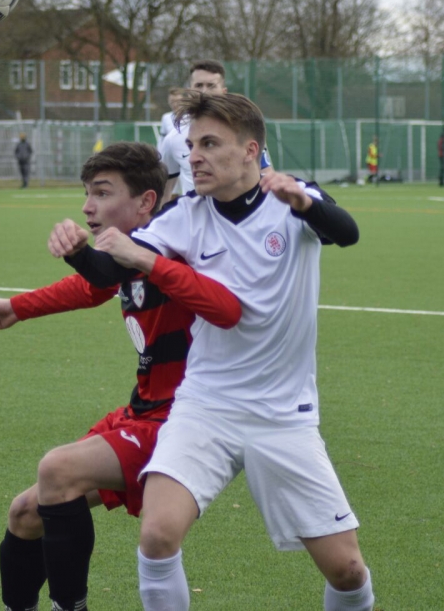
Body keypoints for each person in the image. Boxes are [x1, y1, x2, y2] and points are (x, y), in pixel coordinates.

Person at [50, 92, 372, 611]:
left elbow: (347, 233)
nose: (193, 156)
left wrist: (304, 203)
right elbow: (110, 272)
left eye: (209, 144)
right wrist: (78, 252)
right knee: (157, 534)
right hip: (205, 405)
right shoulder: (184, 215)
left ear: (250, 150)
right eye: (192, 145)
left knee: (348, 570)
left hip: (282, 415)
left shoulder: (292, 198)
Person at [0, 141, 241, 611]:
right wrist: (16, 307)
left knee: (58, 470)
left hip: (180, 421)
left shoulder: (173, 252)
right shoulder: (128, 259)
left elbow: (216, 303)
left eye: (102, 193)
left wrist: (81, 256)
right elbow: (94, 286)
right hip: (141, 410)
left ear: (146, 202)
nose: (88, 207)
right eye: (87, 194)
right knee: (26, 513)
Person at [160, 60, 273, 200]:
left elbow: (266, 175)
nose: (204, 91)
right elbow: (164, 192)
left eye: (211, 86)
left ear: (224, 92)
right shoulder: (173, 139)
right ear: (189, 91)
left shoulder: (245, 131)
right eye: (198, 85)